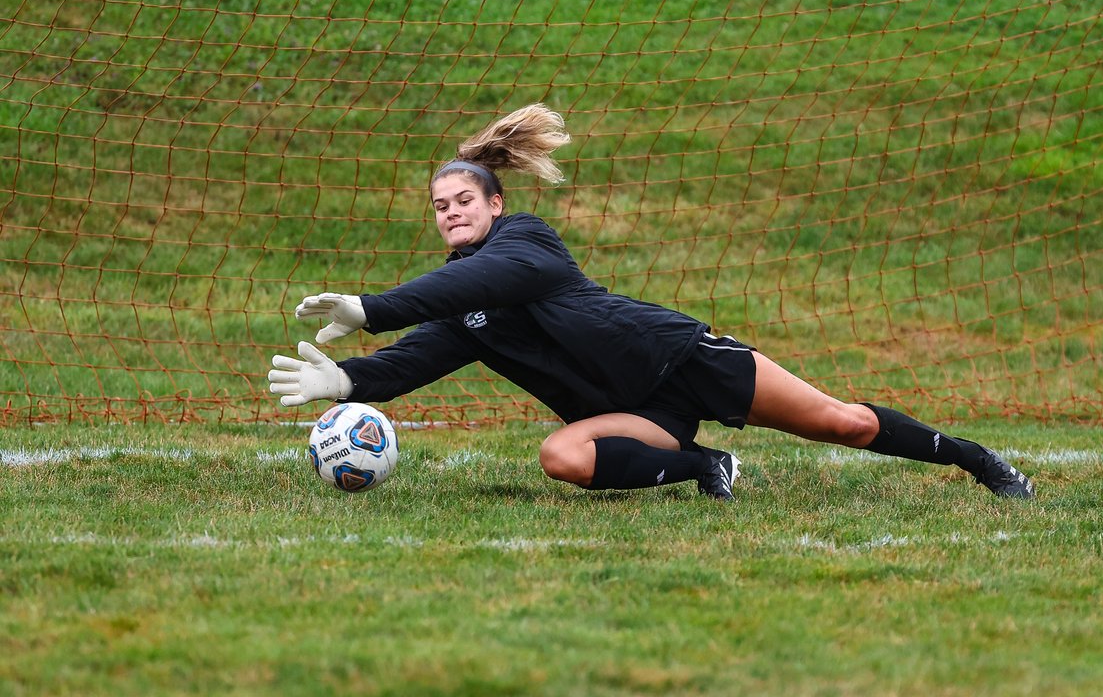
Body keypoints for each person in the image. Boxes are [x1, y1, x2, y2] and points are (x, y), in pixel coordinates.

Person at [268, 104, 1034, 501]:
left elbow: (469, 285)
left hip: (679, 359)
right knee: (561, 457)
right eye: (438, 205)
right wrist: (348, 382)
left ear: (497, 204)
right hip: (639, 410)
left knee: (844, 423)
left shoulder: (528, 244)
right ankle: (707, 463)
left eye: (462, 199)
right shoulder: (460, 294)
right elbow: (429, 345)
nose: (449, 212)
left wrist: (371, 306)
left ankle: (977, 461)